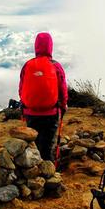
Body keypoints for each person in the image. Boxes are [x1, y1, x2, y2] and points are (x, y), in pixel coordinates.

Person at [19, 32, 68, 161]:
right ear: (50, 46)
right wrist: (63, 106)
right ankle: (48, 174)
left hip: (31, 113)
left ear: (36, 46)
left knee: (33, 144)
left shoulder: (27, 65)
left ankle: (32, 172)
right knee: (47, 146)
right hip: (50, 114)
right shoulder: (56, 66)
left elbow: (21, 89)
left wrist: (25, 106)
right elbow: (62, 90)